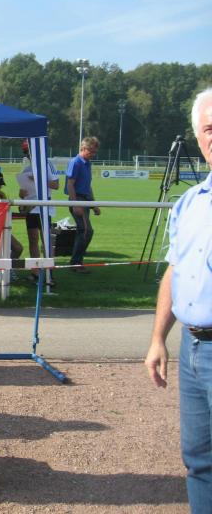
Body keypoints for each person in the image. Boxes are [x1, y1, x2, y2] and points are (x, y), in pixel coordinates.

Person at [144, 87, 212, 513]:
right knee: (199, 461)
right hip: (192, 346)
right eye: (209, 129)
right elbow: (175, 270)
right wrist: (158, 339)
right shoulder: (188, 203)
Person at [18, 141, 59, 282]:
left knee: (46, 241)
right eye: (26, 153)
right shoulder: (26, 170)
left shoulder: (47, 164)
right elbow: (23, 192)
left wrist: (38, 179)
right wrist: (21, 194)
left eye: (29, 152)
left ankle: (49, 272)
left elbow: (56, 185)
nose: (28, 155)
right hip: (30, 208)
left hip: (44, 207)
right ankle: (35, 271)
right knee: (33, 240)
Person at [64, 136, 100, 273]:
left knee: (85, 231)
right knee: (86, 231)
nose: (93, 154)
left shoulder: (87, 163)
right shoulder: (76, 162)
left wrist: (93, 204)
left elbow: (87, 186)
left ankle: (77, 261)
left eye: (95, 152)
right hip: (78, 199)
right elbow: (70, 184)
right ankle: (75, 263)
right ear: (83, 148)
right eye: (91, 151)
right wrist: (75, 204)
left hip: (85, 200)